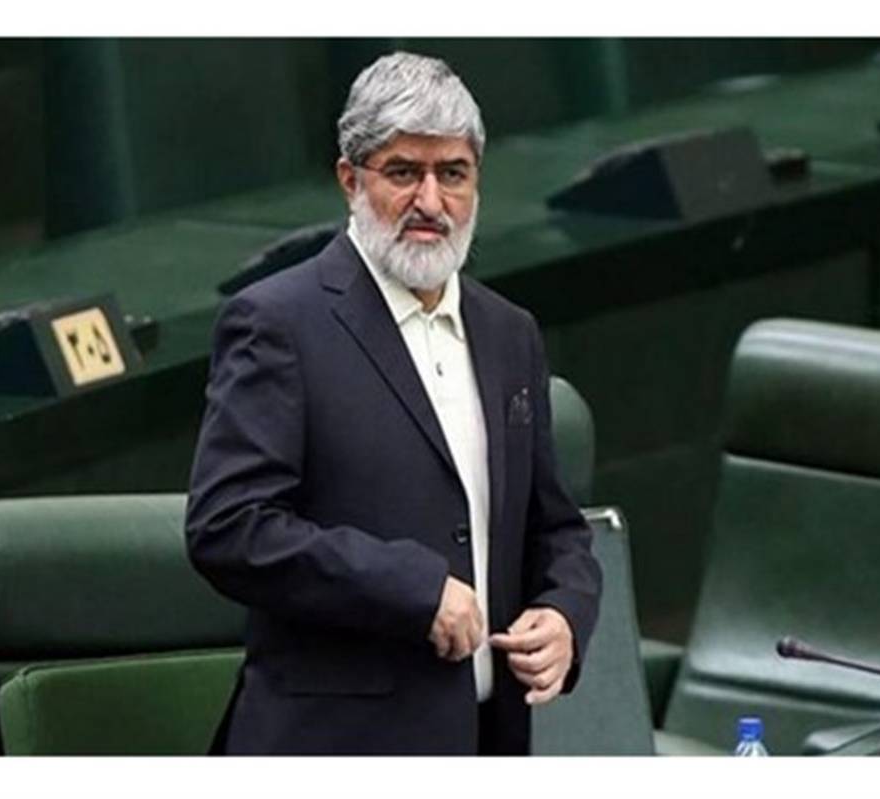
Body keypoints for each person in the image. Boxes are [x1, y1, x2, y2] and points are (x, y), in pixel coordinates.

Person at [185, 51, 602, 755]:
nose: (431, 203)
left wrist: (565, 614)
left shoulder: (509, 333)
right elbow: (229, 527)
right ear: (351, 179)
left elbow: (556, 527)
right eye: (404, 172)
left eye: (453, 174)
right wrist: (414, 588)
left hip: (485, 741)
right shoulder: (278, 323)